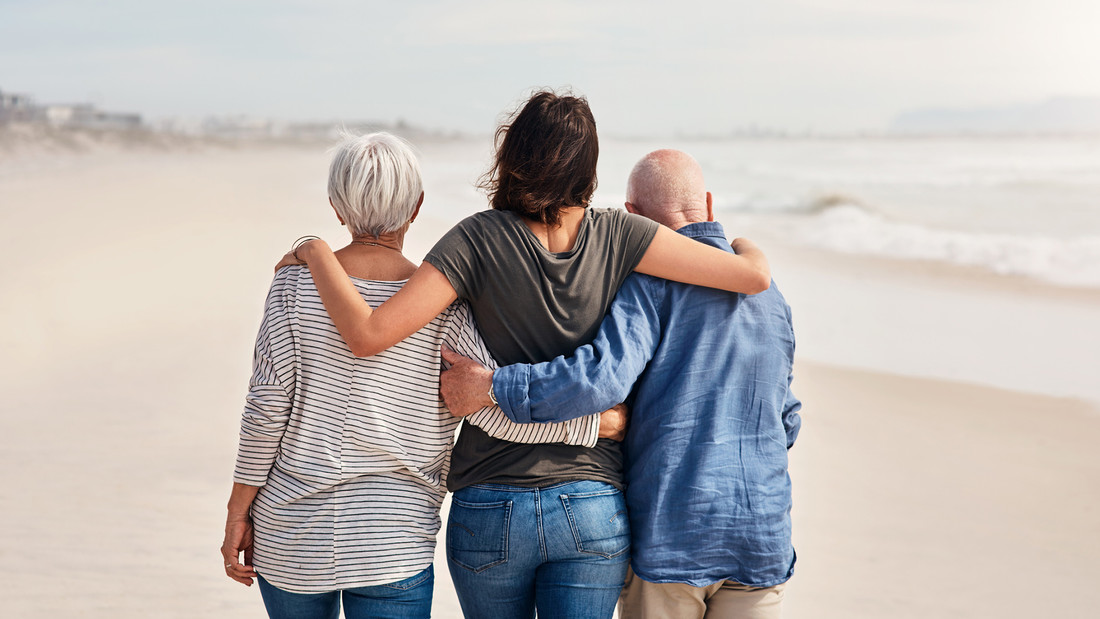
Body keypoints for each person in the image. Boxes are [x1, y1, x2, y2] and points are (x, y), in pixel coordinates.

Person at [286, 92, 772, 619]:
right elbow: (751, 278)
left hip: (490, 507)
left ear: (511, 155)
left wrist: (314, 249)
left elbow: (369, 334)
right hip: (592, 505)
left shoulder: (475, 239)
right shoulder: (621, 233)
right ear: (588, 167)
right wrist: (746, 243)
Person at [220, 131, 604, 619]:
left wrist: (238, 511)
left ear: (337, 206)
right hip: (393, 541)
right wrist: (595, 425)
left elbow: (265, 410)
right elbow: (485, 404)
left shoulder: (295, 284)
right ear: (417, 206)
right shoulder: (442, 302)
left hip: (293, 535)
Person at [440, 149, 802, 619]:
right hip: (761, 536)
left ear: (635, 217)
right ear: (708, 205)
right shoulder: (771, 296)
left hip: (676, 535)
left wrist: (496, 386)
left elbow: (600, 379)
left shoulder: (650, 282)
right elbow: (787, 419)